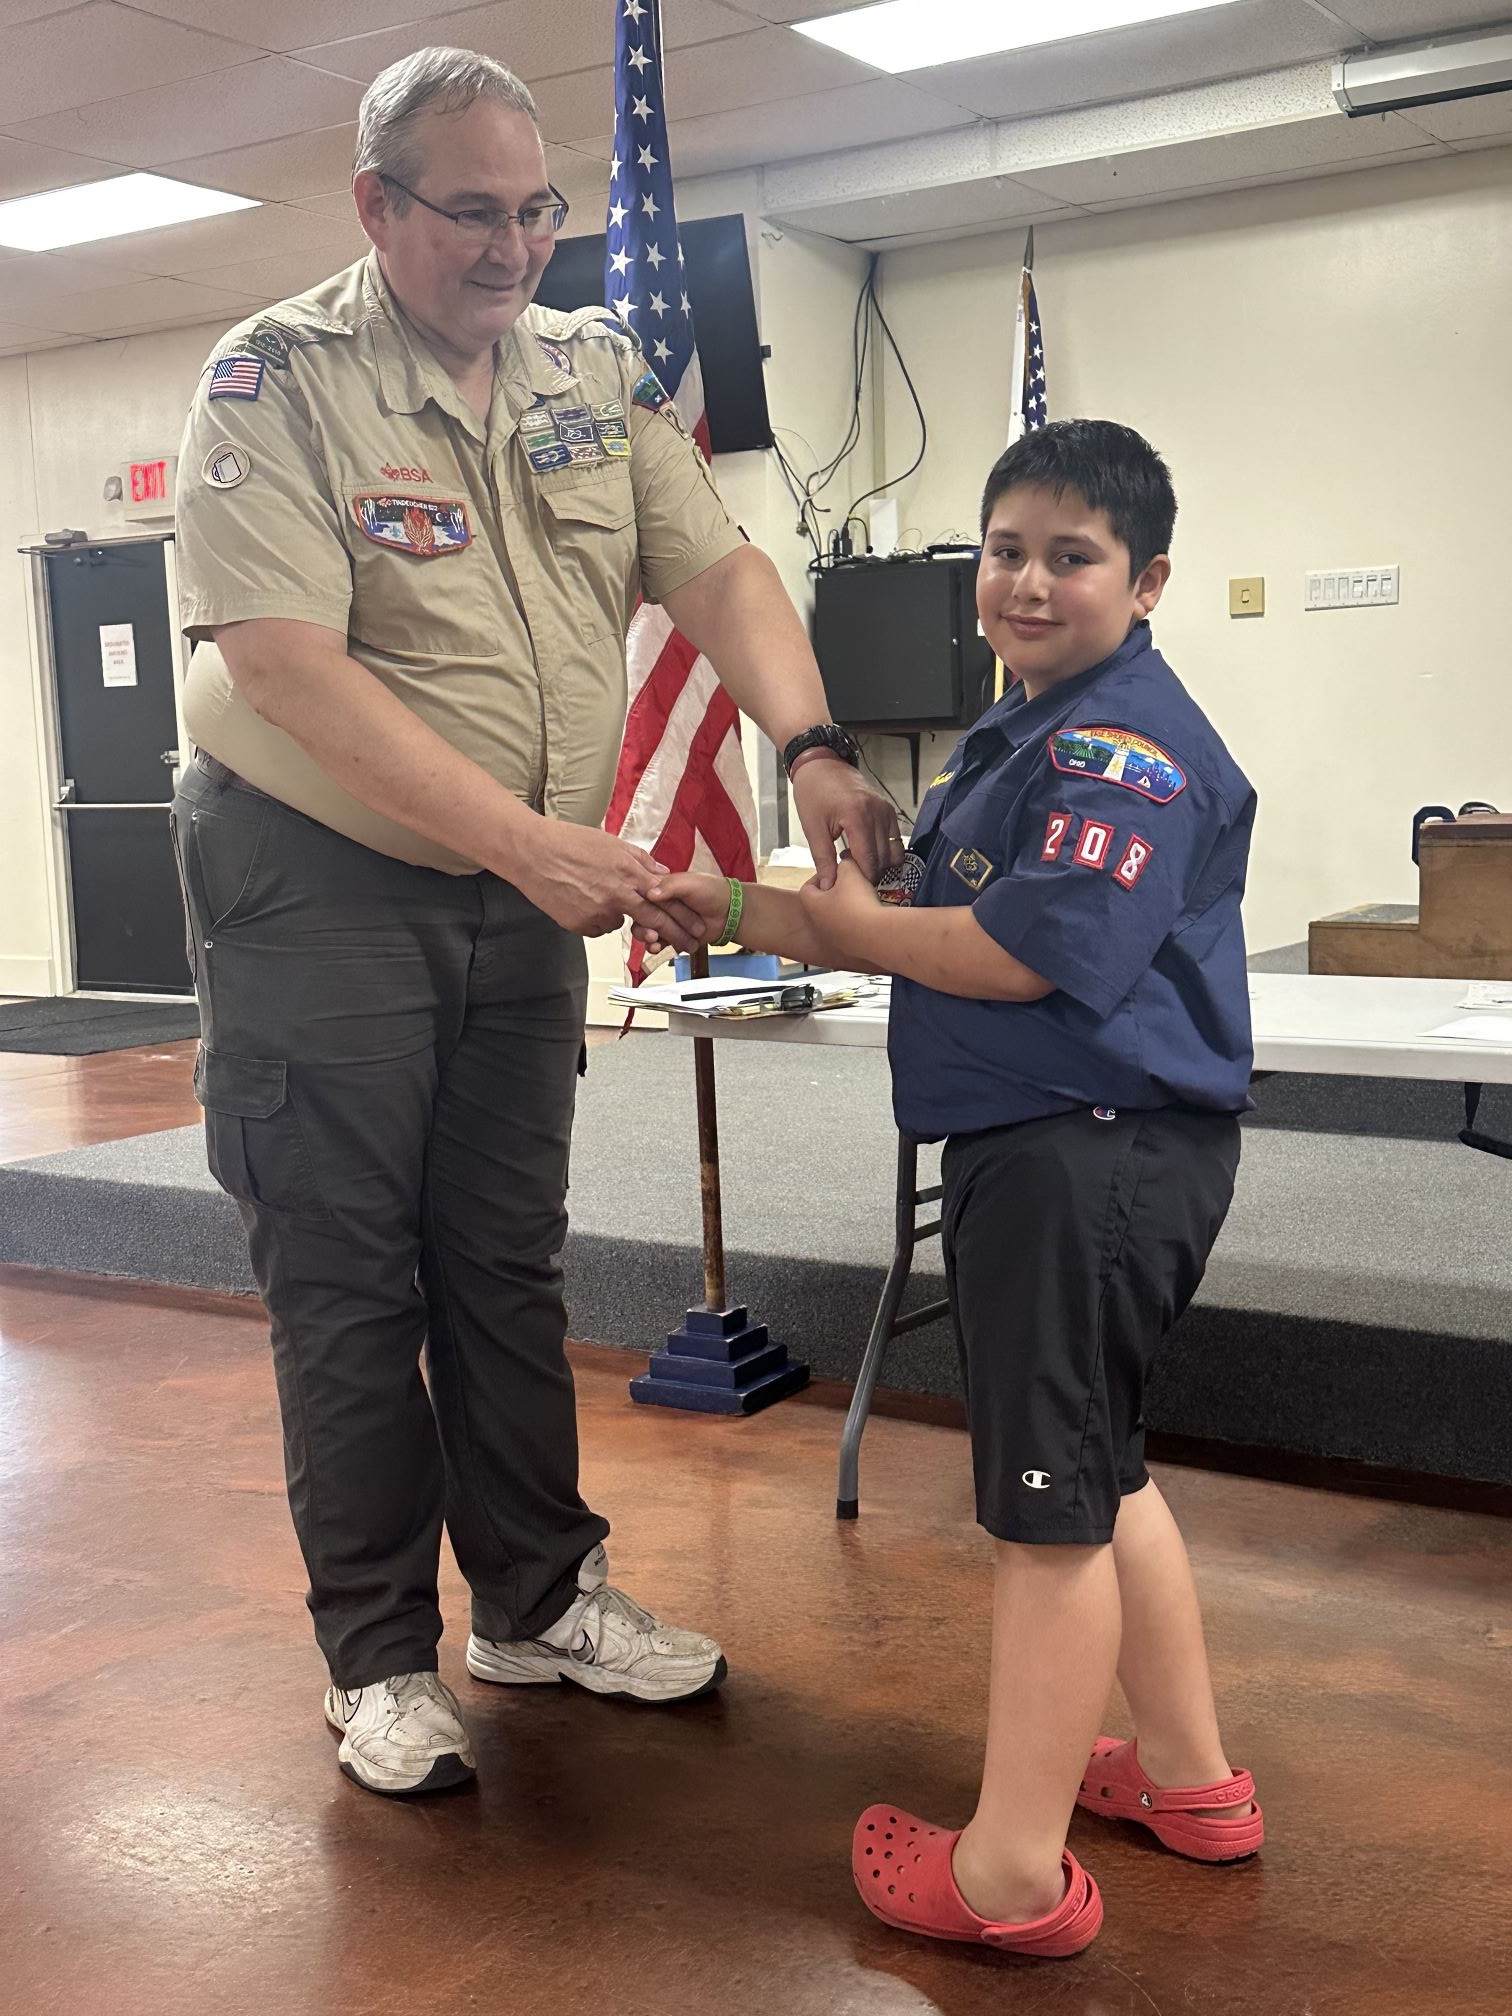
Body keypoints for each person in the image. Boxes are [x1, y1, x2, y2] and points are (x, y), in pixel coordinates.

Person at [170, 46, 898, 1799]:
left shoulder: (592, 367)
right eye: (473, 213)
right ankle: (375, 1660)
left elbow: (715, 568)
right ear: (378, 206)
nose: (513, 249)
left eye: (537, 211)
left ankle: (538, 1601)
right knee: (350, 1278)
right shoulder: (275, 380)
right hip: (318, 880)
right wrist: (527, 844)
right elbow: (283, 665)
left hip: (520, 885)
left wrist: (808, 742)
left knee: (501, 1263)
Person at [648, 419, 1263, 1958]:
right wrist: (785, 891)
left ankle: (1009, 1879)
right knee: (1102, 1467)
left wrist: (814, 918)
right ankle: (1190, 1777)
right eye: (1005, 551)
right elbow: (942, 906)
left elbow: (1015, 957)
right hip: (1068, 1145)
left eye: (1074, 558)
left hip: (1083, 1152)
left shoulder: (1123, 749)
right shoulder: (1029, 725)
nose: (1029, 583)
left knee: (1049, 1515)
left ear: (1150, 580)